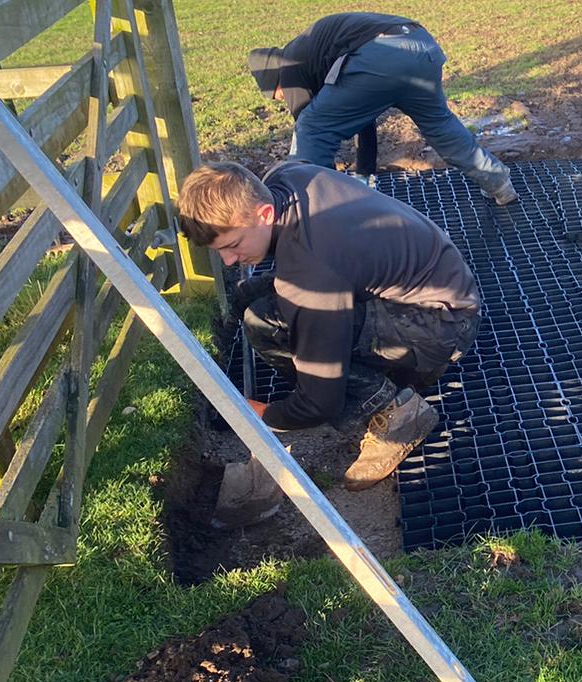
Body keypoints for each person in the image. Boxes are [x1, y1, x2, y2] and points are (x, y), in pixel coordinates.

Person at [177, 159, 482, 490]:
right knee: (253, 294)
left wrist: (263, 415)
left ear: (264, 214)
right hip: (437, 282)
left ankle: (396, 412)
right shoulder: (285, 177)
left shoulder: (311, 268)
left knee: (265, 325)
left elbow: (320, 402)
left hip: (440, 324)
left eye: (233, 245)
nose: (229, 260)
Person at [246, 12, 518, 205]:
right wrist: (364, 175)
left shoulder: (291, 67)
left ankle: (311, 212)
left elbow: (312, 135)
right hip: (421, 45)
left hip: (379, 56)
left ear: (275, 81)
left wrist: (332, 186)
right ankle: (499, 184)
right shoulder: (314, 49)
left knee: (311, 127)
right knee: (441, 127)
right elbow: (362, 116)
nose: (282, 100)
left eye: (277, 96)